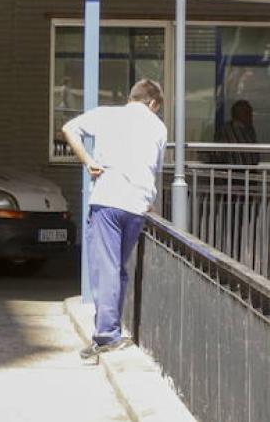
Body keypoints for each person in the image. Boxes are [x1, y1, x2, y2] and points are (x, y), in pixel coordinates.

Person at [61, 79, 167, 362]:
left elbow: (68, 128)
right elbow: (154, 167)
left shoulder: (106, 114)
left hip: (107, 200)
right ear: (153, 103)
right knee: (118, 267)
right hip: (137, 205)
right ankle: (113, 326)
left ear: (131, 98)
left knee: (105, 267)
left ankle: (107, 334)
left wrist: (88, 160)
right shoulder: (158, 127)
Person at [216, 100, 258, 165]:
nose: (251, 116)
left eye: (250, 113)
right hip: (234, 171)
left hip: (251, 170)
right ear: (238, 114)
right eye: (247, 113)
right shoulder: (226, 131)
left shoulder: (249, 129)